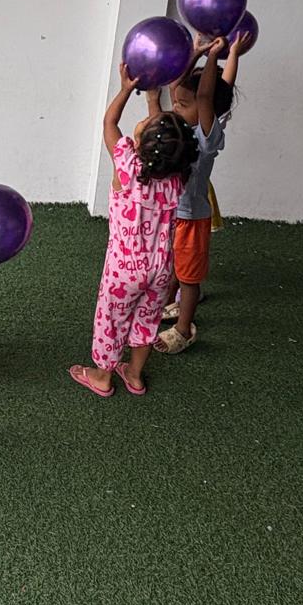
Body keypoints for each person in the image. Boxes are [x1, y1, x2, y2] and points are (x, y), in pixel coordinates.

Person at [68, 66, 199, 397]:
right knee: (147, 320)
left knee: (111, 322)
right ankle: (135, 375)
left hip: (123, 271)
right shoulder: (177, 178)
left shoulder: (127, 167)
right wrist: (154, 102)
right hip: (160, 270)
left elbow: (109, 123)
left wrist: (126, 89)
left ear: (141, 143)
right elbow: (165, 144)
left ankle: (102, 376)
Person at [154, 31, 252, 354]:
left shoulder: (206, 136)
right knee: (173, 265)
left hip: (192, 220)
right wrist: (200, 52)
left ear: (204, 107)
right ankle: (170, 303)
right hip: (174, 214)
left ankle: (184, 329)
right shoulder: (183, 125)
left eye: (183, 105)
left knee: (189, 279)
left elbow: (209, 95)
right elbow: (178, 86)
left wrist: (213, 56)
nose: (175, 107)